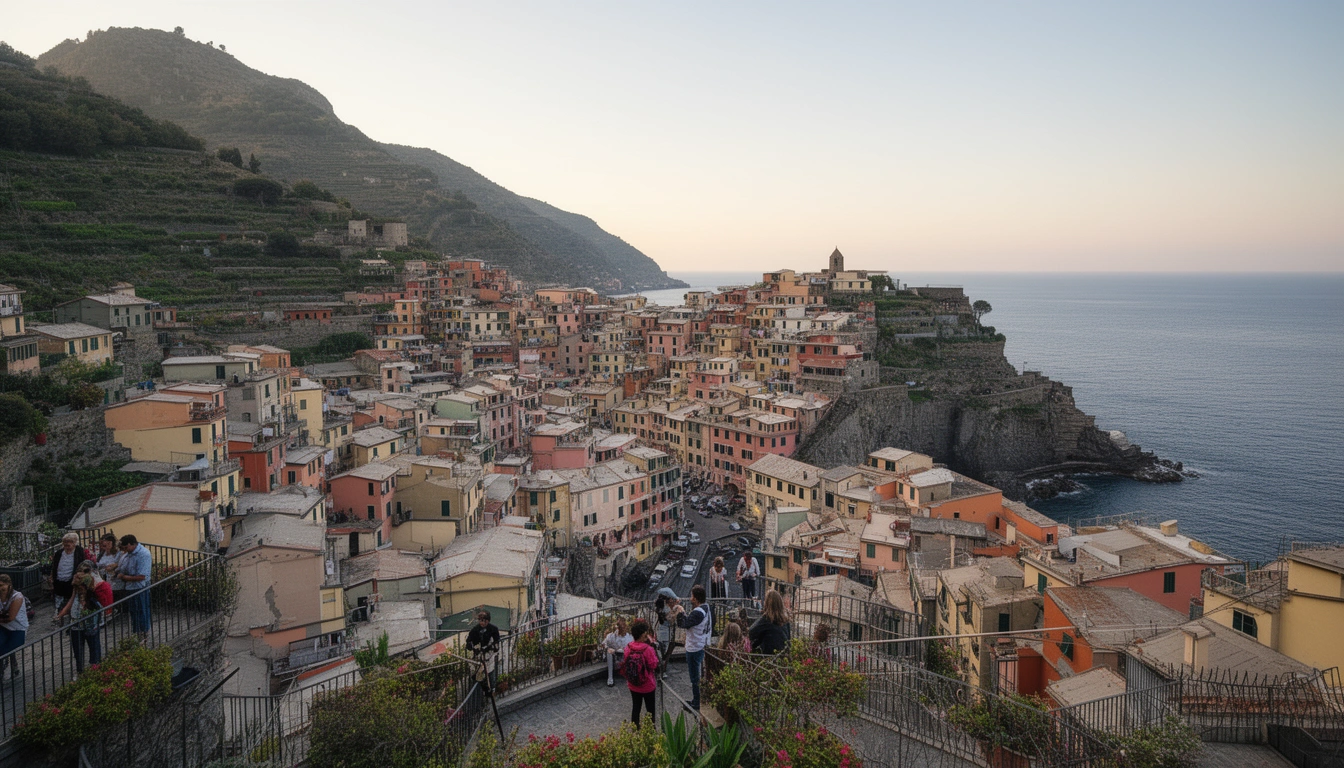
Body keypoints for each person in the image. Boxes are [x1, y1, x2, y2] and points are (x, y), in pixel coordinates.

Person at [671, 584, 713, 716]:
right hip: (702, 643)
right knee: (700, 673)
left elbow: (683, 623)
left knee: (695, 677)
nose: (690, 598)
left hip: (695, 647)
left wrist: (681, 611)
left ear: (695, 598)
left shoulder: (697, 613)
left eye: (691, 596)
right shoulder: (706, 608)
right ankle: (700, 699)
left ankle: (696, 702)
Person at [58, 573, 105, 674]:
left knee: (94, 648)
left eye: (80, 588)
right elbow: (69, 605)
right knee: (78, 651)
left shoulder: (92, 599)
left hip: (91, 628)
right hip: (76, 627)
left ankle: (96, 668)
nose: (78, 590)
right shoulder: (75, 596)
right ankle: (80, 670)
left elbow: (99, 613)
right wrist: (61, 614)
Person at [49, 533, 95, 623]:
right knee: (59, 600)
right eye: (65, 544)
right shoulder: (59, 553)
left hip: (72, 581)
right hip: (59, 580)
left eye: (69, 544)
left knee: (71, 600)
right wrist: (52, 577)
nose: (67, 546)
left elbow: (83, 565)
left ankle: (70, 617)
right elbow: (54, 566)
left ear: (74, 543)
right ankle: (60, 616)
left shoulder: (79, 552)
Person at [624, 619, 660, 724]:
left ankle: (636, 730)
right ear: (643, 634)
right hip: (647, 685)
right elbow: (654, 665)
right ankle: (650, 730)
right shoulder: (647, 649)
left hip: (633, 684)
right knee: (650, 710)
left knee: (636, 707)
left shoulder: (628, 647)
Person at [118, 535, 152, 640]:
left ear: (130, 545)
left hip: (139, 587)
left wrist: (124, 577)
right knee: (134, 611)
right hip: (129, 587)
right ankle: (137, 632)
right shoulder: (128, 554)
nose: (124, 551)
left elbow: (142, 576)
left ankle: (143, 632)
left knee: (141, 610)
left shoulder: (143, 554)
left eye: (125, 548)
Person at [0, 574, 28, 681]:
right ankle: (8, 665)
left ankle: (9, 666)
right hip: (3, 626)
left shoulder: (17, 597)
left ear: (9, 585)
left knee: (5, 649)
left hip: (18, 628)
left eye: (2, 585)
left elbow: (10, 617)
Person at [749, 589, 791, 655]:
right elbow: (788, 638)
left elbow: (751, 632)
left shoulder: (767, 619)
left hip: (768, 656)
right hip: (784, 655)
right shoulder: (786, 620)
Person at [465, 610, 500, 688]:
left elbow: (496, 643)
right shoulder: (475, 630)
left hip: (489, 656)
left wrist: (489, 648)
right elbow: (469, 642)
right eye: (480, 620)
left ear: (487, 621)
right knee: (477, 675)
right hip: (478, 657)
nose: (481, 622)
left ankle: (492, 689)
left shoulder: (493, 629)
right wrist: (473, 647)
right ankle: (479, 691)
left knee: (490, 673)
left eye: (483, 620)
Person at [601, 618, 633, 687]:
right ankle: (610, 678)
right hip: (614, 658)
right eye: (620, 627)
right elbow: (603, 644)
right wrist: (608, 648)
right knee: (609, 653)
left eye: (624, 627)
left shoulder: (629, 637)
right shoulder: (611, 636)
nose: (622, 629)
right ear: (617, 627)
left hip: (624, 658)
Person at [95, 533, 126, 605]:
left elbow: (121, 565)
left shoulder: (119, 554)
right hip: (104, 580)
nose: (103, 547)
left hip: (115, 581)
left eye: (105, 544)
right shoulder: (102, 553)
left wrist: (113, 567)